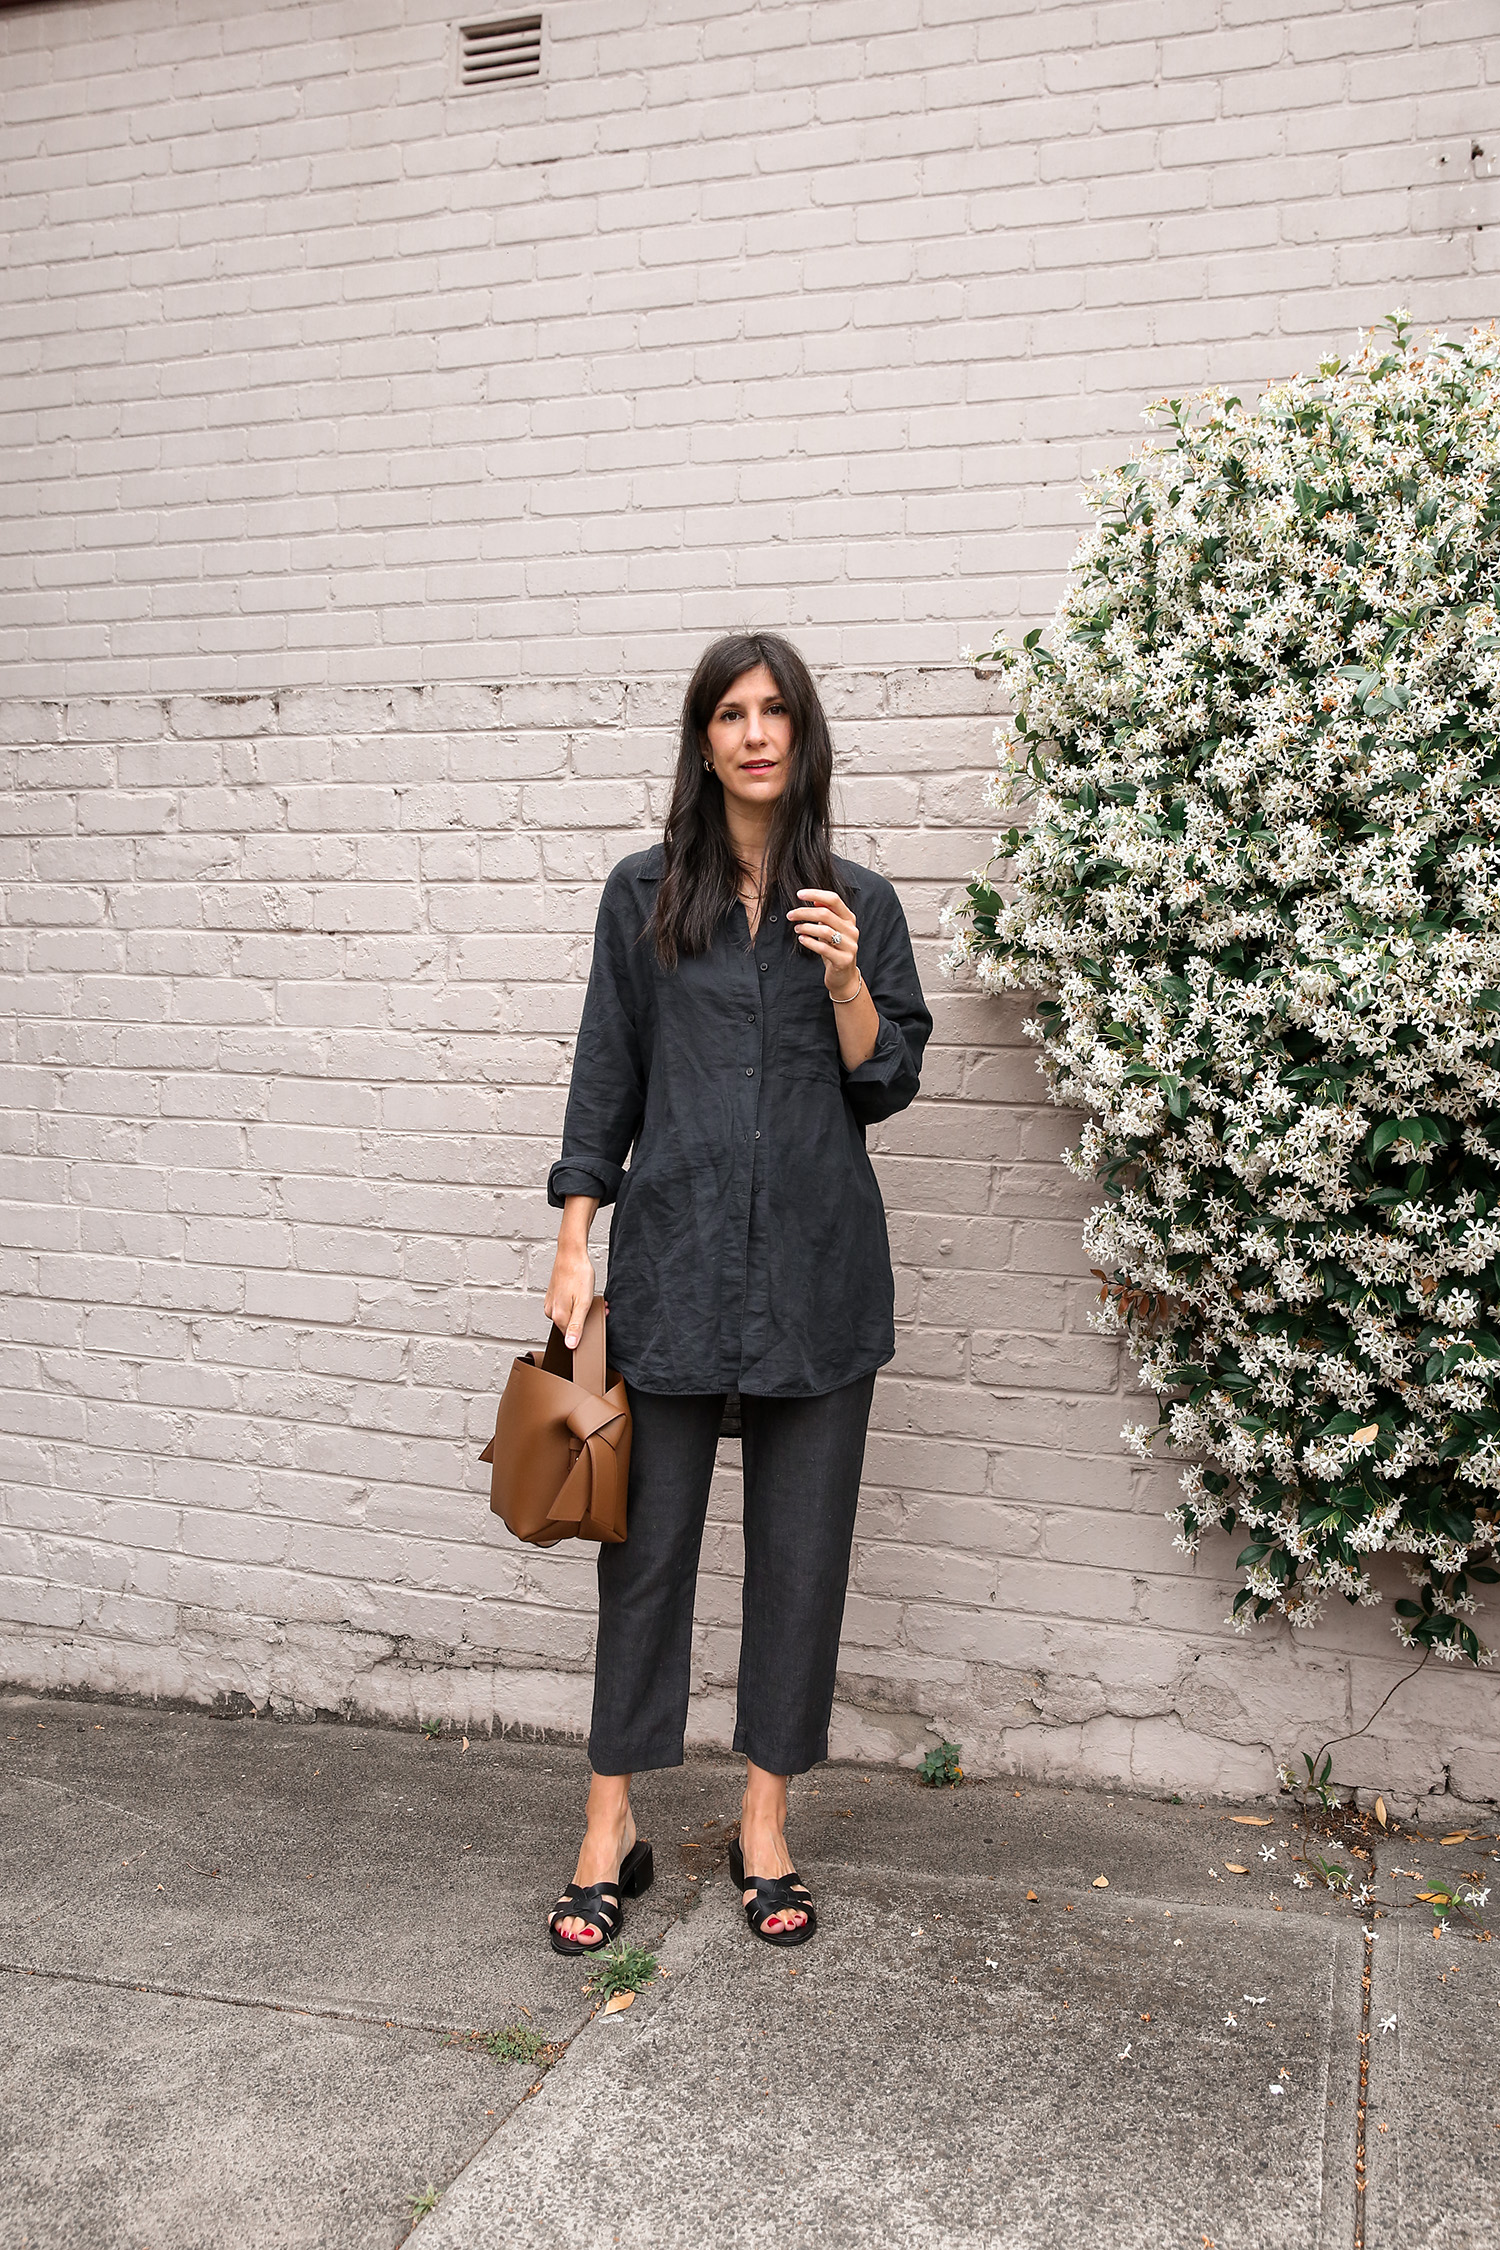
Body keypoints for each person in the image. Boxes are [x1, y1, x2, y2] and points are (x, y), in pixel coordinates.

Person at [542, 631, 931, 1953]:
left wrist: (840, 976)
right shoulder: (644, 896)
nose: (755, 731)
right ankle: (612, 1822)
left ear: (801, 736)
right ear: (704, 739)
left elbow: (883, 1083)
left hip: (817, 1280)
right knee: (639, 1558)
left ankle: (765, 1820)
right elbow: (606, 1081)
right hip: (670, 1270)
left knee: (799, 1561)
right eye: (730, 711)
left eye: (776, 711)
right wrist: (572, 1243)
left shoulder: (860, 904)